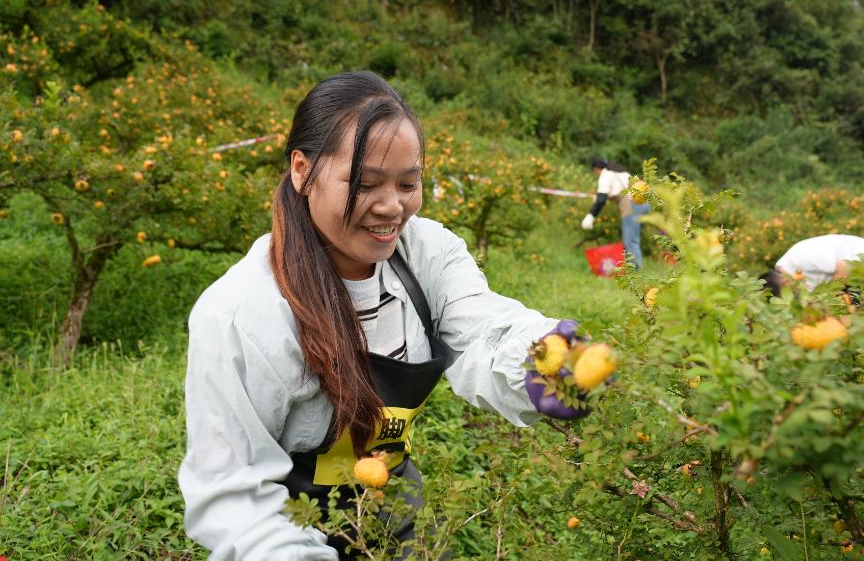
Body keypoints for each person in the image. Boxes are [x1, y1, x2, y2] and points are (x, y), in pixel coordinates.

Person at [178, 71, 585, 561]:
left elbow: (483, 331)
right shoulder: (242, 315)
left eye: (409, 183)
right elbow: (235, 495)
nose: (393, 207)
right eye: (366, 184)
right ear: (302, 171)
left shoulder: (427, 254)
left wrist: (541, 357)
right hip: (282, 531)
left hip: (395, 509)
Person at [580, 158, 652, 270]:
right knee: (635, 239)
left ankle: (636, 270)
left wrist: (590, 216)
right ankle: (634, 266)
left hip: (631, 206)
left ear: (596, 169)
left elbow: (601, 200)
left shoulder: (605, 176)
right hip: (645, 204)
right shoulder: (620, 172)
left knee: (630, 241)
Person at [760, 234, 864, 296]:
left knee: (849, 311)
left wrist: (830, 297)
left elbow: (844, 269)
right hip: (848, 276)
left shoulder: (801, 257)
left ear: (785, 283)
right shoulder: (786, 271)